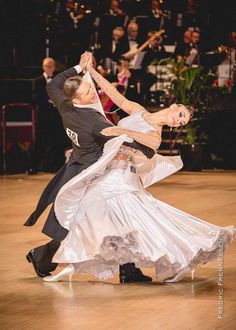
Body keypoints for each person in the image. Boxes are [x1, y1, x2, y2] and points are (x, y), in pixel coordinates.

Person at [43, 53, 236, 283]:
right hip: (108, 175)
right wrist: (91, 71)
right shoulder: (140, 111)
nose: (178, 121)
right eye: (181, 115)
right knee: (114, 219)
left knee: (131, 221)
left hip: (123, 180)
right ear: (174, 106)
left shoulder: (156, 134)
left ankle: (167, 258)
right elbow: (115, 96)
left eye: (182, 123)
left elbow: (148, 144)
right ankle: (102, 265)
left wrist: (122, 132)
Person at [24, 52, 156, 283]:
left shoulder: (65, 105)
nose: (91, 91)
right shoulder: (93, 122)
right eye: (87, 92)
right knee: (110, 220)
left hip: (77, 171)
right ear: (78, 99)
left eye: (89, 87)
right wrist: (149, 148)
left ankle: (43, 257)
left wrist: (79, 67)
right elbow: (119, 139)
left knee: (82, 224)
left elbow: (54, 83)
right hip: (93, 177)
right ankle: (127, 270)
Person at [32, 57, 69, 173]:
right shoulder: (37, 81)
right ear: (43, 67)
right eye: (47, 66)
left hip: (56, 115)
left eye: (51, 66)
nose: (49, 68)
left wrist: (57, 100)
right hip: (43, 115)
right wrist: (48, 100)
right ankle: (35, 166)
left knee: (57, 140)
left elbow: (64, 95)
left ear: (54, 67)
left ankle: (55, 166)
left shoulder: (59, 81)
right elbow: (34, 97)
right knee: (41, 140)